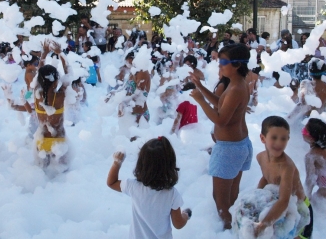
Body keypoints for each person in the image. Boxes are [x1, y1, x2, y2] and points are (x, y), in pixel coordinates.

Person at [190, 43, 252, 229]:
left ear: (237, 65)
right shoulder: (237, 85)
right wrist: (200, 87)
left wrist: (200, 101)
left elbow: (221, 119)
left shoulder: (235, 89)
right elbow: (220, 103)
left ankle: (229, 230)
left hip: (229, 149)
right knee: (232, 196)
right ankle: (236, 227)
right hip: (239, 145)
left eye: (223, 62)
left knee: (220, 199)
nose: (219, 66)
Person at [106, 137, 191, 239]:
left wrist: (117, 163)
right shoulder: (172, 194)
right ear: (170, 166)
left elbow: (111, 182)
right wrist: (185, 215)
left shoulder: (133, 186)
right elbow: (178, 224)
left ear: (141, 164)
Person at [254, 116, 312, 238]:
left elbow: (284, 201)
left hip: (300, 209)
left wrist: (263, 224)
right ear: (262, 138)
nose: (279, 143)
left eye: (283, 139)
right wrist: (257, 195)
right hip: (282, 207)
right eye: (274, 138)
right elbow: (266, 176)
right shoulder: (261, 157)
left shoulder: (286, 167)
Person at [34, 63, 68, 169]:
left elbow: (39, 77)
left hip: (42, 140)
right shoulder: (60, 96)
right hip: (58, 141)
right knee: (62, 175)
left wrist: (44, 53)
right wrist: (60, 54)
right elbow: (68, 77)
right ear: (56, 80)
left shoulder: (36, 95)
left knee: (42, 172)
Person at [303, 118, 326, 205]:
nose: (302, 132)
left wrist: (305, 202)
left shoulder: (311, 156)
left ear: (312, 138)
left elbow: (310, 181)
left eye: (305, 131)